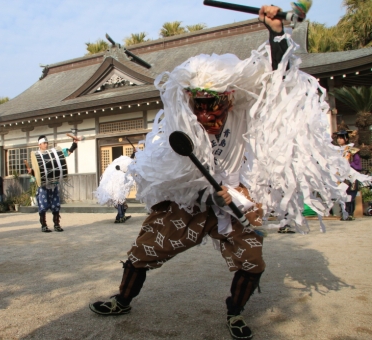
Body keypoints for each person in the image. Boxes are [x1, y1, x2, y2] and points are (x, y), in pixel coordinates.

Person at [89, 6, 361, 340]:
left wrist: (276, 34)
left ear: (229, 98)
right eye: (197, 103)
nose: (204, 113)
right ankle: (123, 299)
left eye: (212, 103)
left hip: (235, 197)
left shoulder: (244, 109)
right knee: (143, 250)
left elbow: (281, 79)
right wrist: (200, 190)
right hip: (190, 198)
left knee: (252, 261)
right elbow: (175, 167)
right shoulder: (182, 120)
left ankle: (235, 312)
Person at [27, 135, 78, 232]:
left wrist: (74, 144)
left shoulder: (53, 153)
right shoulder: (37, 156)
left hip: (54, 184)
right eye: (44, 143)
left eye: (47, 143)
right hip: (43, 186)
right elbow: (36, 173)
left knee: (56, 205)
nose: (46, 145)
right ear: (39, 144)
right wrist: (31, 172)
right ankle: (44, 226)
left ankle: (56, 224)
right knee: (43, 206)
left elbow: (67, 152)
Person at [336, 130, 362, 221]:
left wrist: (348, 167)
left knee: (350, 194)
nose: (339, 140)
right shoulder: (337, 150)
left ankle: (350, 214)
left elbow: (357, 163)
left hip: (350, 175)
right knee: (341, 194)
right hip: (340, 176)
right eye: (338, 138)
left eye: (341, 138)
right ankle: (344, 213)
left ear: (346, 139)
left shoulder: (352, 150)